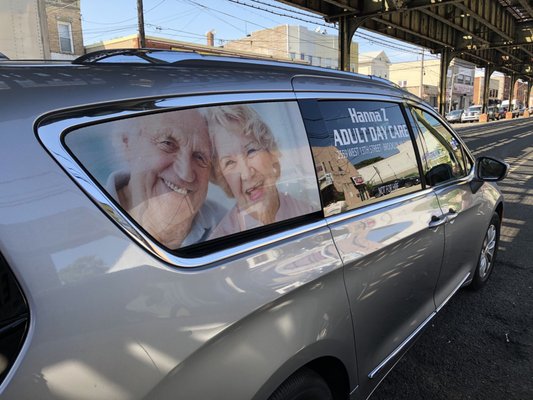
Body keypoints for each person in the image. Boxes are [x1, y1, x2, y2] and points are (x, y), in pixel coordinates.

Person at [107, 109, 225, 249]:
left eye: (200, 157)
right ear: (127, 143)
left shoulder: (228, 224)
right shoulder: (87, 228)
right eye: (168, 143)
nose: (185, 174)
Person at [207, 105, 314, 239]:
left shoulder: (310, 213)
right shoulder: (220, 243)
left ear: (271, 153)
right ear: (223, 179)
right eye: (229, 162)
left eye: (251, 151)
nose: (246, 174)